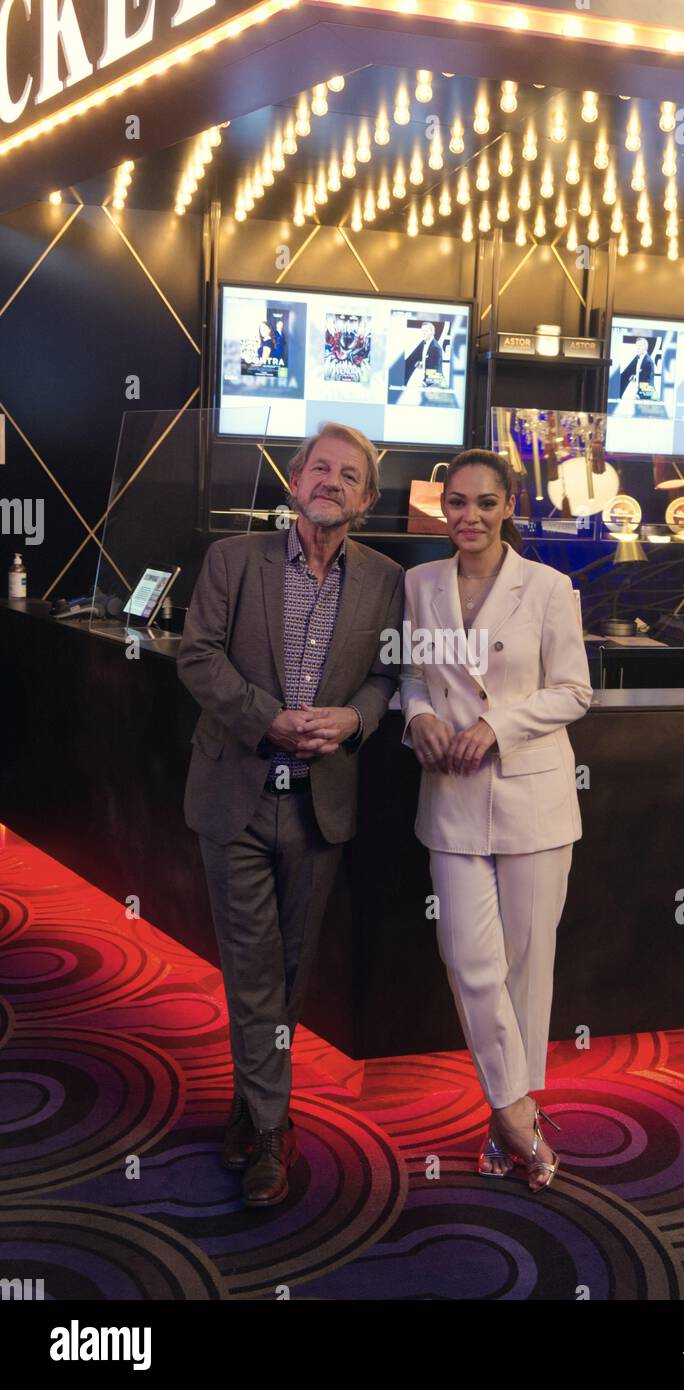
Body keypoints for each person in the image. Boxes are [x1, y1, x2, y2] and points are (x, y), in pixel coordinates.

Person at [177, 423, 403, 1208]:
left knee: (293, 968)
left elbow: (384, 676)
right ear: (295, 479)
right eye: (320, 467)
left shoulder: (384, 579)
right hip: (235, 791)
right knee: (253, 963)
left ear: (367, 499)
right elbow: (196, 654)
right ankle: (274, 1132)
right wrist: (270, 718)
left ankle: (250, 1104)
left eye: (350, 475)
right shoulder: (233, 561)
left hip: (320, 802)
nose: (331, 481)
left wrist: (353, 721)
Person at [400, 448, 593, 1192]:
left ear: (507, 506)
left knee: (523, 970)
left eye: (484, 503)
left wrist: (498, 725)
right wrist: (416, 716)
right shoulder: (420, 584)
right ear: (440, 507)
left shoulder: (548, 587)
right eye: (455, 502)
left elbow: (576, 691)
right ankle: (517, 1114)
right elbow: (415, 675)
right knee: (467, 960)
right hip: (449, 798)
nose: (468, 517)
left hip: (533, 800)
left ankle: (503, 1115)